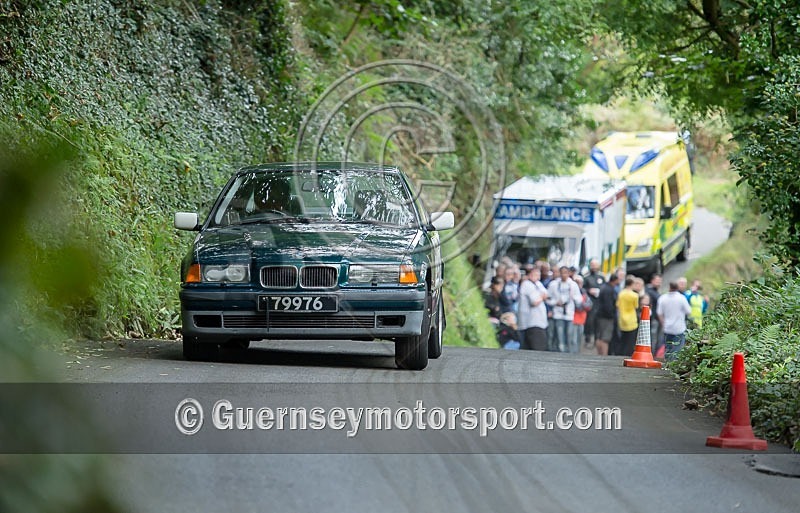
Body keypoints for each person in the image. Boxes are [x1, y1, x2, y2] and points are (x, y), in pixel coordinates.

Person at [547, 266, 584, 353]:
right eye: (562, 273)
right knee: (560, 338)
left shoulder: (573, 285)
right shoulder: (554, 284)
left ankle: (570, 355)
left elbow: (579, 299)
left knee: (570, 336)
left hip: (569, 314)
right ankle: (561, 354)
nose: (564, 275)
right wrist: (555, 302)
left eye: (566, 273)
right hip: (558, 313)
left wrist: (573, 298)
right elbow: (548, 298)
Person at [657, 281, 693, 361]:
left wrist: (663, 323)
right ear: (677, 288)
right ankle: (674, 365)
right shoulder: (681, 298)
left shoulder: (663, 298)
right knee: (677, 349)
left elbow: (659, 313)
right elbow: (689, 311)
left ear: (669, 287)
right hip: (679, 328)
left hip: (667, 327)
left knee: (668, 347)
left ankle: (667, 363)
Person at [517, 266, 549, 350]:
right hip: (532, 323)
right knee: (537, 348)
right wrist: (542, 296)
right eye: (535, 274)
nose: (537, 277)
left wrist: (541, 296)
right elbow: (535, 301)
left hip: (540, 322)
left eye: (538, 274)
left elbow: (546, 294)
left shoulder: (538, 284)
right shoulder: (527, 284)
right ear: (530, 274)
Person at [594, 273, 619, 356]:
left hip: (599, 315)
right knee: (605, 338)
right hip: (607, 317)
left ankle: (599, 354)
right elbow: (608, 305)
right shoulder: (610, 290)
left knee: (599, 336)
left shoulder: (604, 287)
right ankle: (604, 355)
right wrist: (612, 315)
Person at [583, 259, 606, 348]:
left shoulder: (601, 277)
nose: (594, 267)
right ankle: (588, 339)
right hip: (590, 303)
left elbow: (605, 287)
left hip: (599, 303)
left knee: (598, 323)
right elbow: (583, 289)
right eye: (592, 265)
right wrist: (589, 291)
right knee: (589, 321)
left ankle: (597, 340)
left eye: (596, 265)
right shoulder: (586, 278)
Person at [615, 276, 639, 357]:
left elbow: (618, 305)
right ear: (632, 284)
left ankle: (620, 354)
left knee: (622, 340)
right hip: (631, 319)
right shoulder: (635, 295)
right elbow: (636, 306)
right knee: (630, 341)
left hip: (622, 318)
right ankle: (628, 356)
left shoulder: (621, 294)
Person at [571, 275, 592, 354]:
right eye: (576, 282)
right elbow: (578, 306)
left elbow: (589, 305)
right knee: (573, 341)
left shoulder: (584, 292)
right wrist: (583, 305)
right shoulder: (571, 292)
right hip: (573, 320)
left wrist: (583, 305)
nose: (578, 284)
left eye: (580, 282)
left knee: (579, 340)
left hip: (581, 320)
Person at [645, 274, 663, 357]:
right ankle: (651, 354)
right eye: (657, 281)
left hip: (657, 318)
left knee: (657, 338)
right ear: (652, 281)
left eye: (660, 281)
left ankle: (655, 354)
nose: (659, 283)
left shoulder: (656, 291)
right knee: (653, 338)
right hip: (653, 319)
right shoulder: (649, 291)